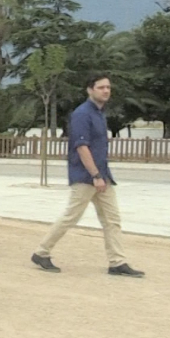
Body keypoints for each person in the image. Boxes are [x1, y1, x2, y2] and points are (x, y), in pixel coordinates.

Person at [31, 75, 145, 278]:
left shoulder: (99, 113)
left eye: (108, 87)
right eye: (101, 87)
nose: (106, 91)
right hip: (87, 176)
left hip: (102, 176)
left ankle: (117, 262)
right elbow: (82, 147)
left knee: (112, 219)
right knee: (71, 216)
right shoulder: (82, 114)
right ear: (90, 90)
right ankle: (41, 252)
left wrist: (102, 176)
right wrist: (95, 175)